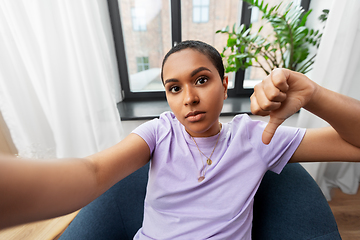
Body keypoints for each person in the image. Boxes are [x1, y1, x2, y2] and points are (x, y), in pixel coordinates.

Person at [0, 40, 359, 239]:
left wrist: (313, 93)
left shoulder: (255, 137)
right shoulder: (160, 131)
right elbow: (93, 173)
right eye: (174, 88)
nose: (188, 98)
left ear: (224, 82)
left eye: (201, 80)